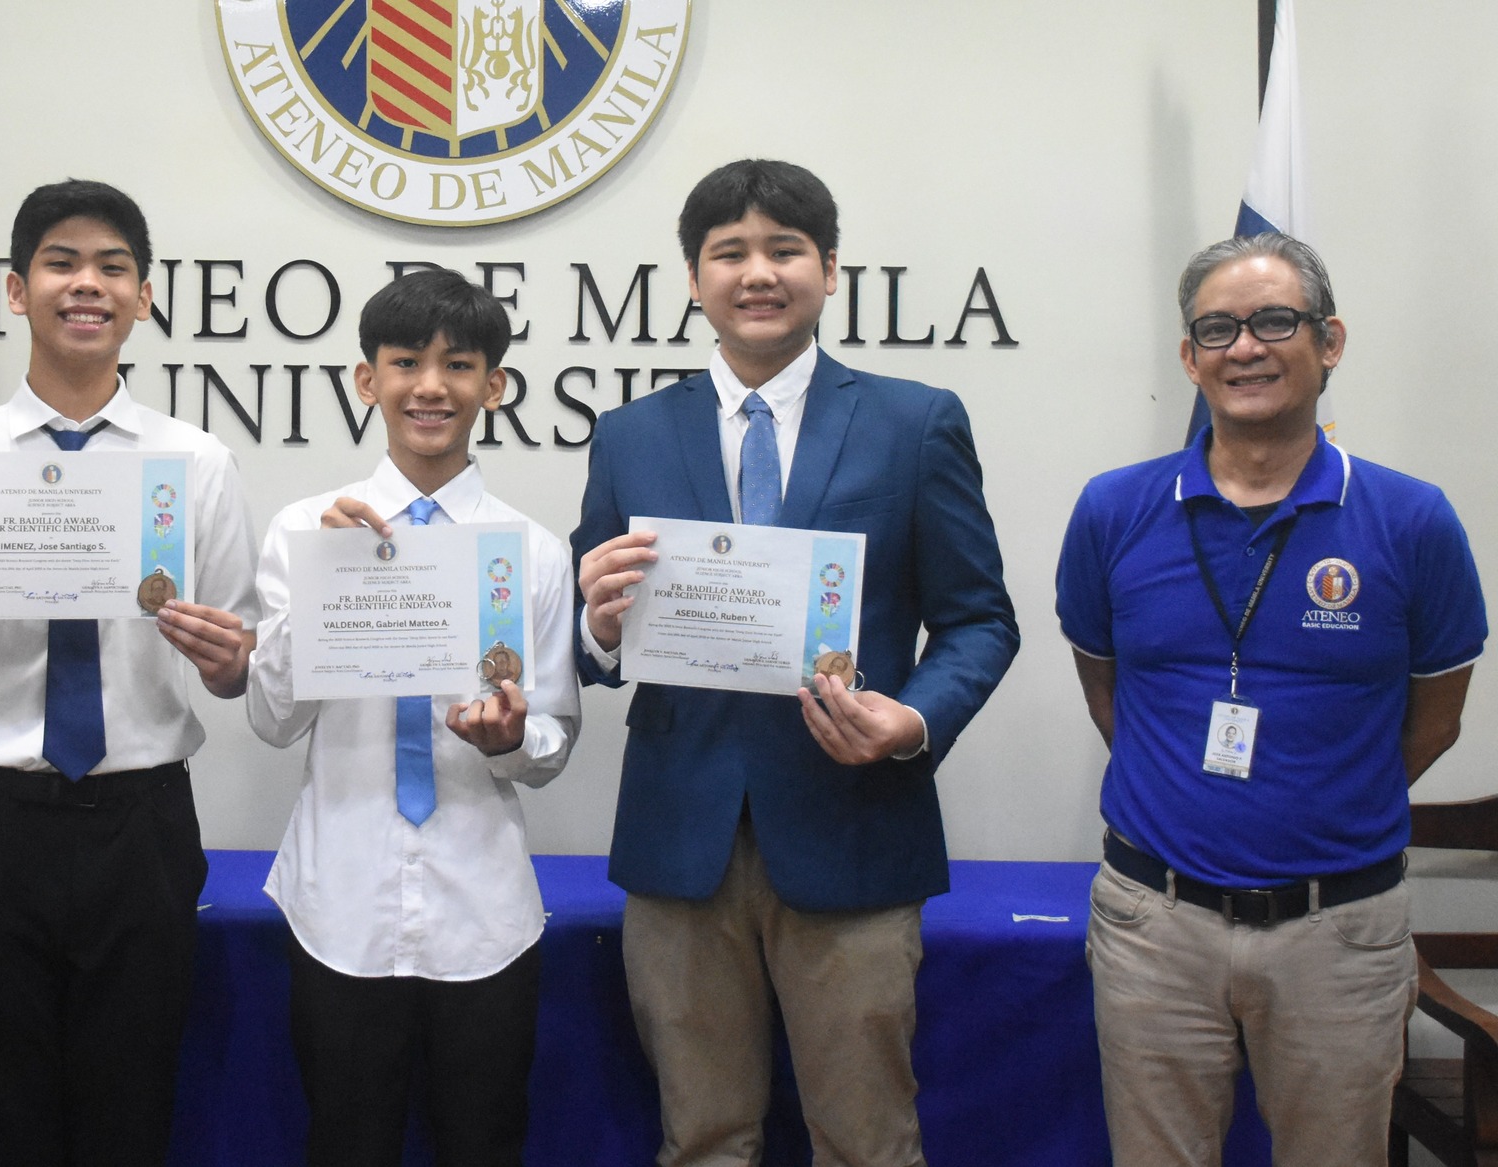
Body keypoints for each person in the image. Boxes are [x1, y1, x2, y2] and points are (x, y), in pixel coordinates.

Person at [572, 159, 1019, 1166]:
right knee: (700, 1137)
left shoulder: (913, 423)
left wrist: (912, 720)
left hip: (852, 828)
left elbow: (979, 620)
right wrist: (595, 627)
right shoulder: (630, 435)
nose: (756, 272)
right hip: (679, 840)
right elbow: (587, 636)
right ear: (693, 279)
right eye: (728, 252)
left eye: (782, 249)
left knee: (864, 1139)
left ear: (828, 270)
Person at [1057, 232, 1485, 1165]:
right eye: (1217, 328)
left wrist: (1324, 792)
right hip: (1155, 926)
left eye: (1274, 322)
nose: (1244, 347)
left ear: (1329, 341)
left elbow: (1437, 718)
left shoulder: (1413, 520)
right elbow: (1109, 693)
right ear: (1189, 357)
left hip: (1340, 933)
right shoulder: (1112, 511)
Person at [0, 178, 259, 1166]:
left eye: (112, 267)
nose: (86, 284)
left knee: (130, 1109)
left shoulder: (194, 464)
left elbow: (234, 665)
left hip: (140, 823)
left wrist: (230, 658)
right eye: (61, 262)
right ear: (15, 290)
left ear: (143, 296)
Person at [247, 269, 581, 1166]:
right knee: (345, 1142)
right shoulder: (300, 533)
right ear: (367, 380)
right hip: (340, 901)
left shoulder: (534, 554)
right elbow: (272, 718)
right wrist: (329, 580)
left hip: (485, 911)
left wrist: (514, 741)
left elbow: (552, 738)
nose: (431, 386)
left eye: (459, 365)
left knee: (484, 1143)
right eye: (405, 363)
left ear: (494, 386)